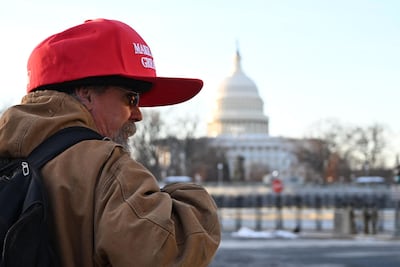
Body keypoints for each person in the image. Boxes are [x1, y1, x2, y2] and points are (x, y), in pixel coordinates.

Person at [0, 18, 220, 266]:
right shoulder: (108, 168)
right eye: (132, 98)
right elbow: (167, 253)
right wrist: (195, 203)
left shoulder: (7, 149)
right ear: (87, 94)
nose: (138, 114)